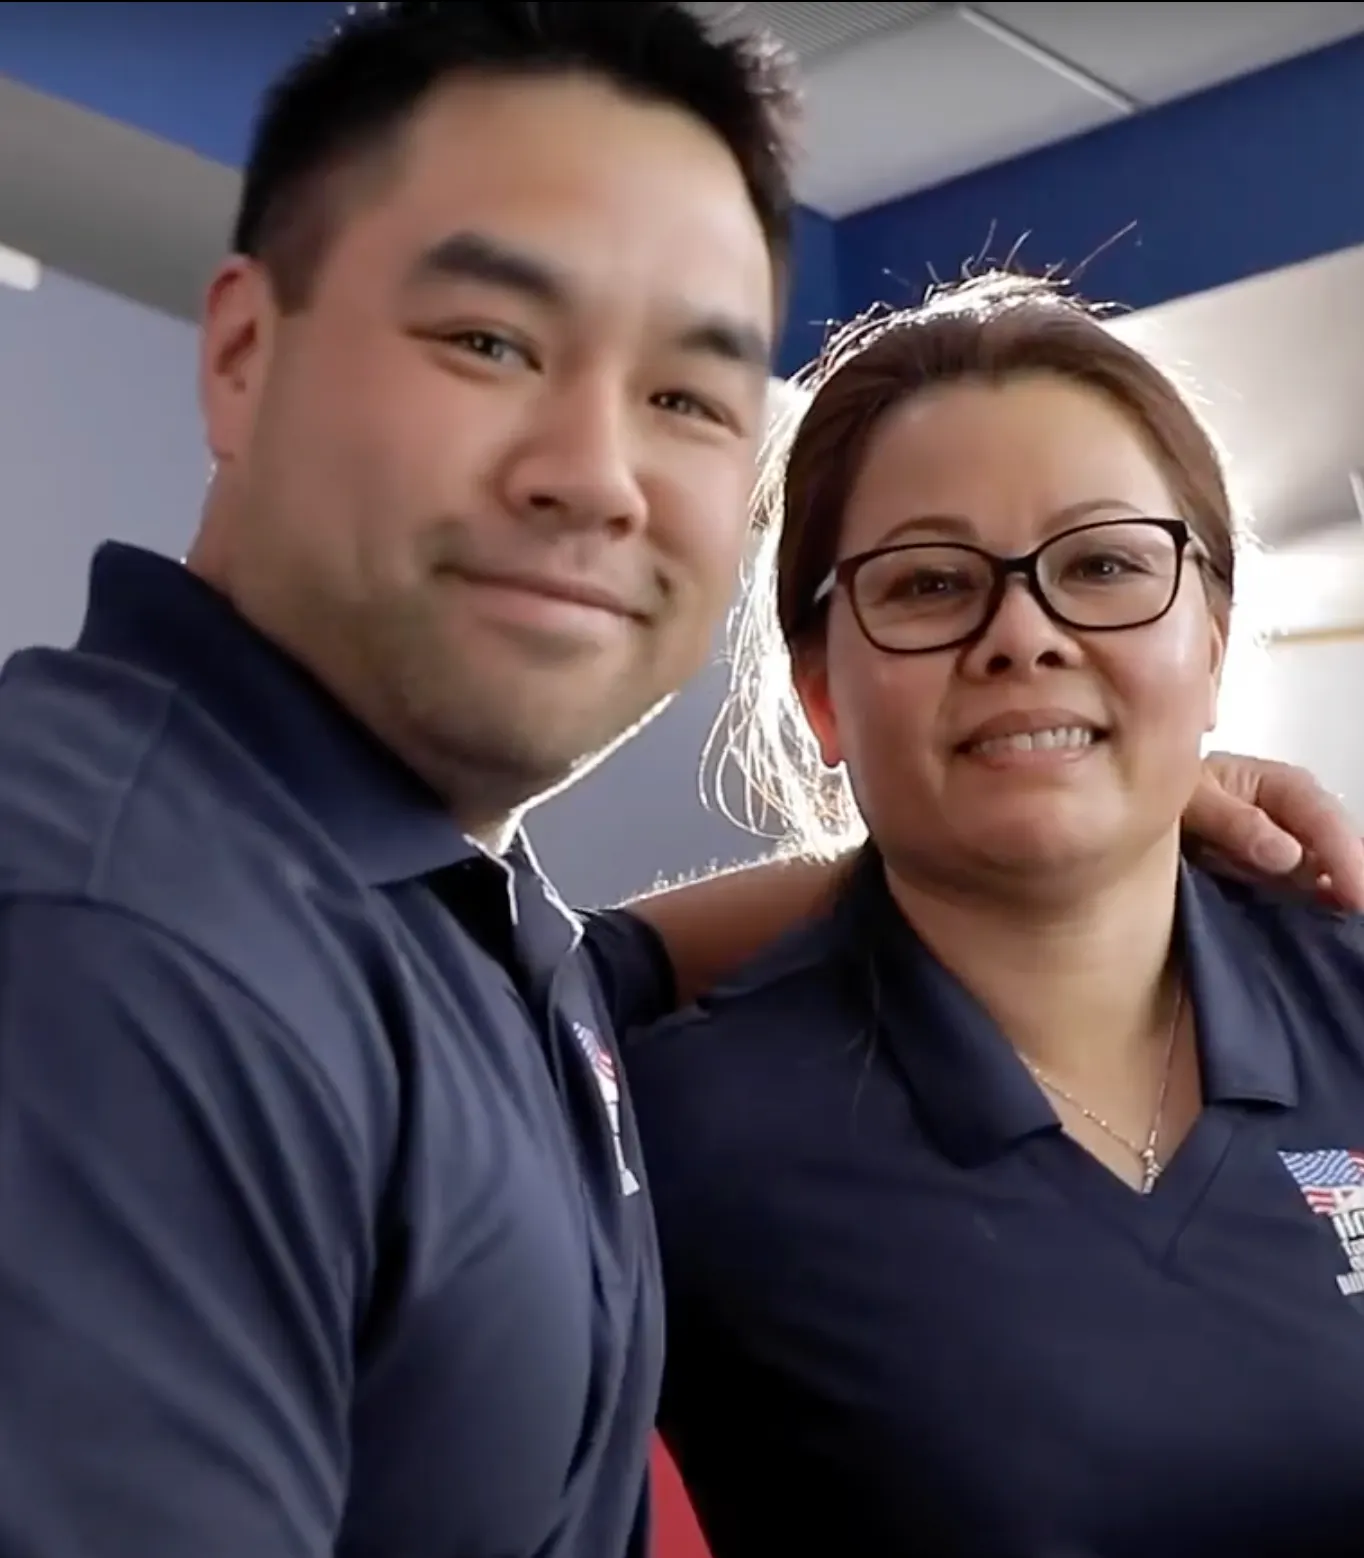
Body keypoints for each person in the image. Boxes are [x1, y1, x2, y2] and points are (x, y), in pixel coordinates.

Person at [0, 3, 1351, 1554]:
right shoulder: (116, 944)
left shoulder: (456, 933)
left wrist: (1084, 816)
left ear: (1216, 623)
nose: (594, 466)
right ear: (243, 354)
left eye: (689, 395)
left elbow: (599, 959)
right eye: (490, 342)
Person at [628, 274, 1364, 1558]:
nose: (1020, 632)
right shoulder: (691, 1124)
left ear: (1211, 640)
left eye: (1100, 566)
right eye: (925, 584)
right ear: (821, 691)